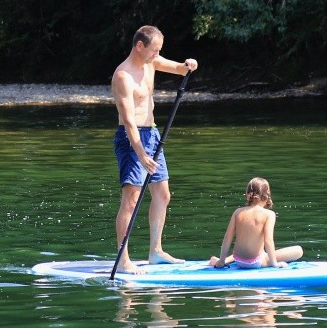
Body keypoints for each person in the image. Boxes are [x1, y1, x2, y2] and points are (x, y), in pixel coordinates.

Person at [112, 24, 198, 272]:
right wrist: (141, 153)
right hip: (131, 140)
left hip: (152, 135)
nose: (157, 55)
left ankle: (155, 251)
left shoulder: (151, 63)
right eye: (154, 50)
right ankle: (123, 259)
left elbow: (178, 68)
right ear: (140, 46)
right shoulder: (123, 76)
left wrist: (188, 65)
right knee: (131, 200)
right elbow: (128, 121)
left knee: (163, 195)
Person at [208, 177, 303, 269]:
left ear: (247, 194)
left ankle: (225, 260)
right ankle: (228, 260)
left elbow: (227, 237)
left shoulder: (237, 212)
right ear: (266, 196)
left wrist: (221, 260)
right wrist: (275, 263)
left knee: (256, 250)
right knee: (298, 250)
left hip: (238, 260)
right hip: (256, 262)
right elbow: (268, 241)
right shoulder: (269, 214)